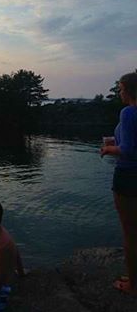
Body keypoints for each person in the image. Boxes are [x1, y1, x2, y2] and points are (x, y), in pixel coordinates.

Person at [101, 72, 137, 296]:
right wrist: (118, 142)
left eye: (121, 89)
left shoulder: (128, 112)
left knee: (130, 233)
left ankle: (133, 285)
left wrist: (109, 149)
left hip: (127, 177)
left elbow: (129, 151)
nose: (120, 92)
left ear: (130, 90)